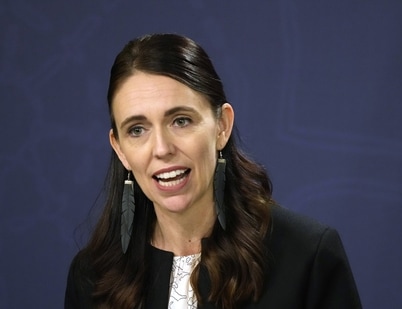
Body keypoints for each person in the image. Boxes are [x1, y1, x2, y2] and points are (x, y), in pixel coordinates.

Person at [64, 33, 362, 309]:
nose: (161, 148)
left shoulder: (307, 256)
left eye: (180, 121)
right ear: (120, 149)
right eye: (137, 129)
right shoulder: (92, 277)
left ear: (222, 127)